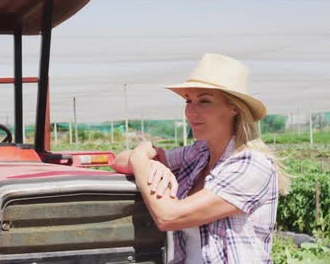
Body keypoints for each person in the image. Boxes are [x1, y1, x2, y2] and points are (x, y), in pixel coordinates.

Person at [112, 53, 290, 264]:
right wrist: (145, 156)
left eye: (204, 101)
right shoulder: (199, 154)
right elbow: (118, 161)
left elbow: (169, 216)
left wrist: (141, 160)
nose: (191, 111)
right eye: (189, 100)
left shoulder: (252, 165)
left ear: (234, 108)